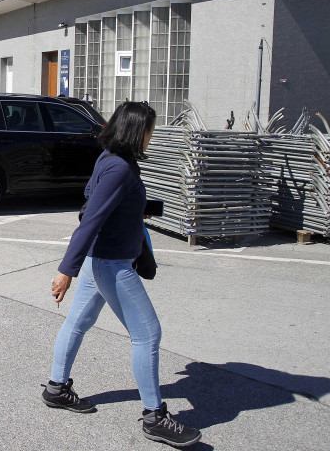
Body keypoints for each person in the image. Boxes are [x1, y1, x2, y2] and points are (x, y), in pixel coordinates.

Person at [43, 101, 201, 448]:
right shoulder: (119, 169)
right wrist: (65, 271)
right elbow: (92, 219)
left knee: (77, 323)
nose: (152, 137)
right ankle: (154, 417)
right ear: (137, 131)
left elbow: (108, 207)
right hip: (110, 263)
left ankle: (56, 388)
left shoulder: (113, 161)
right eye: (150, 131)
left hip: (104, 260)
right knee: (148, 334)